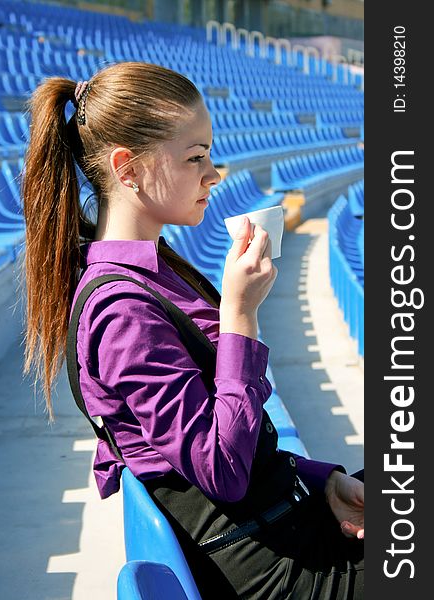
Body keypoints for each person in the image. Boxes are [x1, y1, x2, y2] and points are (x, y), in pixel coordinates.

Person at [21, 61, 364, 599]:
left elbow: (233, 438)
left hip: (289, 523)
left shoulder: (155, 270)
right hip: (280, 572)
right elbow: (222, 467)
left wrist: (324, 482)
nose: (213, 174)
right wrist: (240, 315)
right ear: (127, 169)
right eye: (195, 157)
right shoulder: (121, 313)